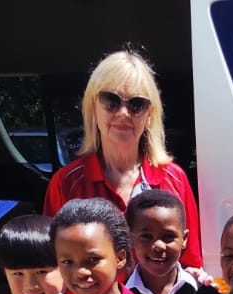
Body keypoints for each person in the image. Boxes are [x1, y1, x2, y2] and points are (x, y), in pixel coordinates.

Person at [43, 49, 202, 268]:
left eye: (136, 104)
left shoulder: (174, 179)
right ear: (92, 109)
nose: (123, 113)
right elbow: (52, 268)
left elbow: (191, 264)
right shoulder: (65, 184)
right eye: (111, 101)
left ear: (149, 115)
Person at [124, 189, 222, 294]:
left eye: (168, 236)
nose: (158, 246)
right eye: (146, 236)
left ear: (184, 239)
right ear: (131, 239)